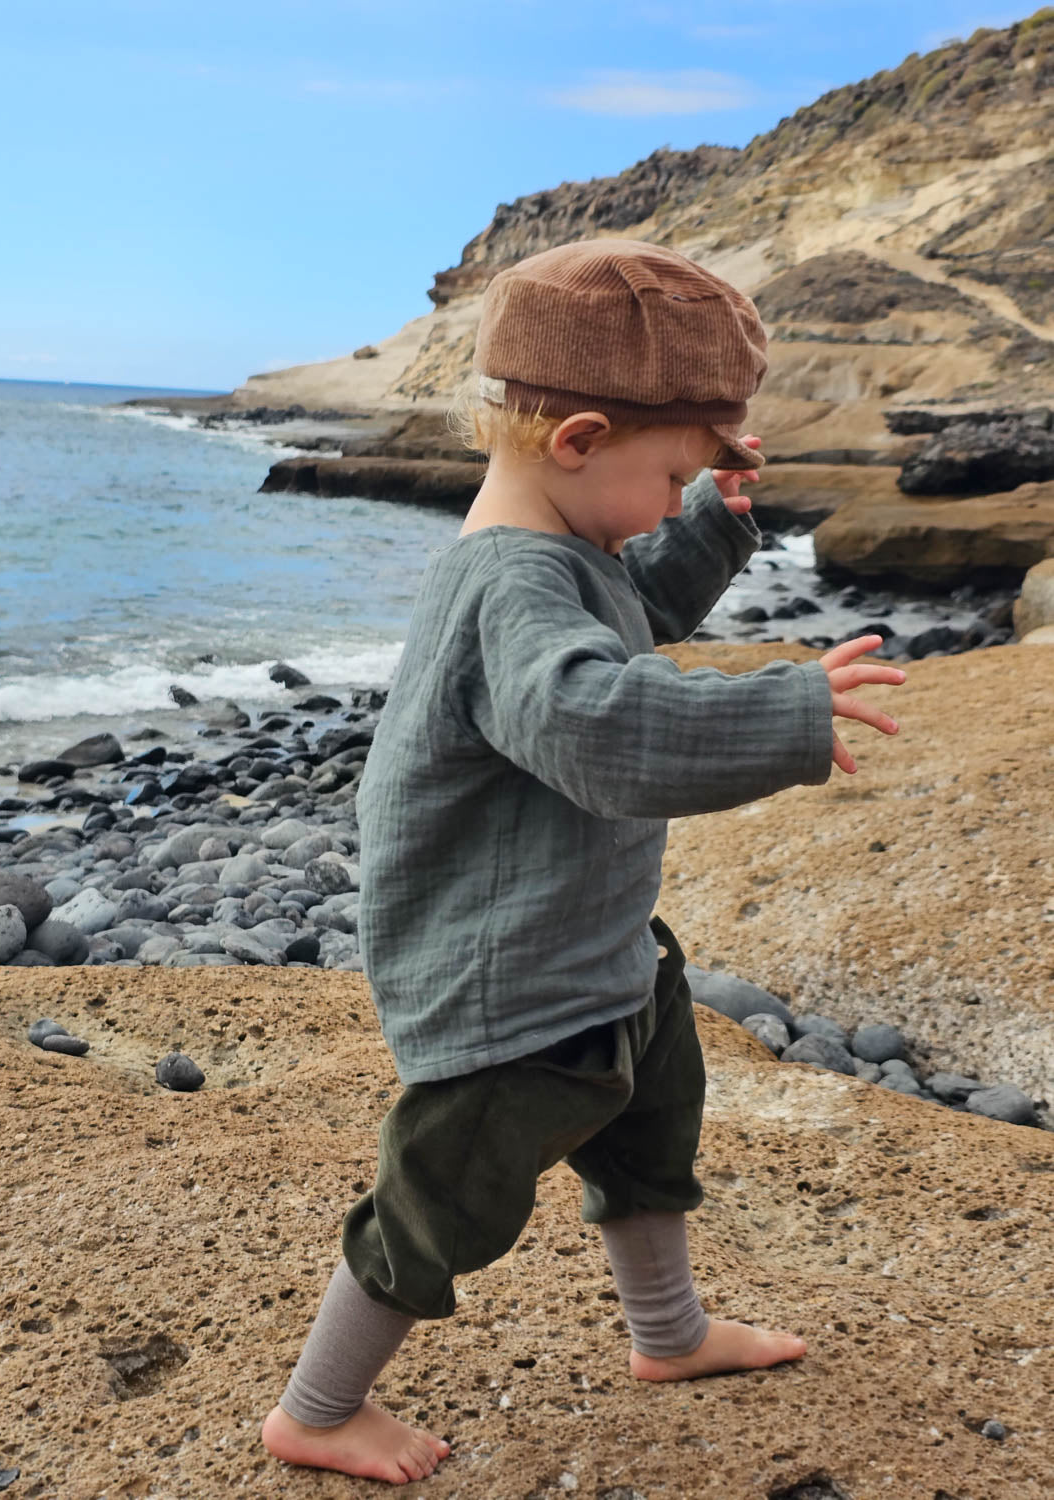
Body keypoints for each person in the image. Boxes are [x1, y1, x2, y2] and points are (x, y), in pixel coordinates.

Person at [261, 239, 906, 1484]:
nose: (673, 498)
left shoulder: (567, 553)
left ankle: (667, 1335)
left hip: (596, 949)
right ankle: (321, 1406)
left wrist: (709, 527)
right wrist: (785, 714)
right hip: (510, 984)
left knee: (653, 1132)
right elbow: (596, 727)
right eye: (672, 474)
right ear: (579, 440)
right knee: (440, 1204)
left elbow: (630, 608)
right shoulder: (513, 589)